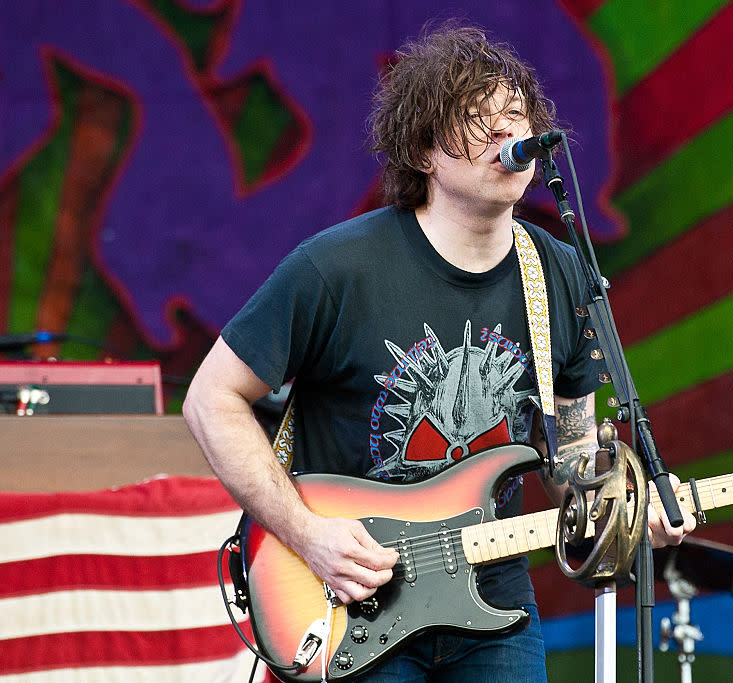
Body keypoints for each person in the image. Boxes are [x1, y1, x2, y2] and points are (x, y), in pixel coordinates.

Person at [183, 24, 695, 682]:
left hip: (495, 606)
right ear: (425, 151)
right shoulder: (336, 268)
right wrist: (309, 534)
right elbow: (210, 399)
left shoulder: (559, 273)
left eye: (514, 115)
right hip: (354, 599)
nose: (504, 132)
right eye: (475, 119)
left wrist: (624, 505)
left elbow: (569, 459)